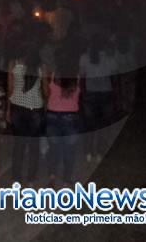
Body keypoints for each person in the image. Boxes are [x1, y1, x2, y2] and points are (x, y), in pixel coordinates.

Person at [6, 42, 47, 185]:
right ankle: (31, 178)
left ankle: (16, 177)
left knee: (18, 145)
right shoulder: (41, 67)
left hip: (17, 108)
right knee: (34, 146)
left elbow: (10, 90)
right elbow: (46, 92)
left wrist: (8, 109)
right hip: (35, 109)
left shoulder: (13, 64)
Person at [79, 34, 117, 163]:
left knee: (90, 125)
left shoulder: (85, 57)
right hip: (106, 93)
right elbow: (114, 73)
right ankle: (100, 152)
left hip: (90, 94)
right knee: (103, 125)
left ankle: (89, 153)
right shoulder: (109, 57)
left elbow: (82, 75)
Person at [44, 56, 81, 186]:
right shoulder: (76, 78)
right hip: (70, 118)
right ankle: (66, 179)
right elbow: (80, 96)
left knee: (54, 149)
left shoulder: (54, 76)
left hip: (53, 117)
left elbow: (48, 93)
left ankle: (52, 177)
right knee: (69, 151)